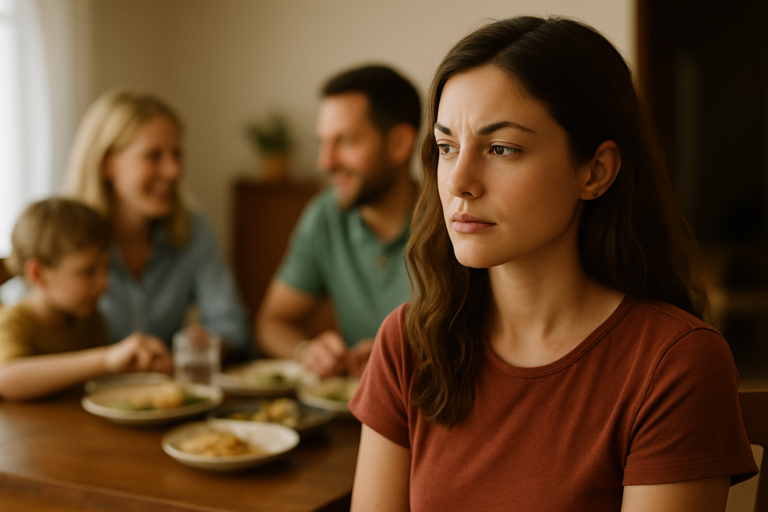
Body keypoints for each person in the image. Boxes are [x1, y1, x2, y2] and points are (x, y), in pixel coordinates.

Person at [348, 16, 757, 511]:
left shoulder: (675, 364)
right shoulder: (409, 342)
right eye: (446, 147)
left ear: (595, 172)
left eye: (501, 148)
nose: (458, 182)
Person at [256, 65, 421, 377]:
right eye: (323, 142)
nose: (325, 161)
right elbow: (271, 324)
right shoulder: (325, 215)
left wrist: (406, 358)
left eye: (345, 141)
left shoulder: (453, 223)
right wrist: (308, 353)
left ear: (399, 143)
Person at [64, 89, 252, 361]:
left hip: (161, 385)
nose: (174, 170)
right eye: (153, 155)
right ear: (107, 164)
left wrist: (207, 343)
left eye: (177, 154)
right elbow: (19, 320)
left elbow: (232, 325)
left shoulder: (193, 229)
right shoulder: (62, 237)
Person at [0, 198, 172, 401]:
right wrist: (106, 359)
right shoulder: (13, 322)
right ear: (38, 273)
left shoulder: (90, 319)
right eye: (88, 271)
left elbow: (95, 381)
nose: (104, 283)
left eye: (106, 268)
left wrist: (139, 368)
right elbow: (6, 379)